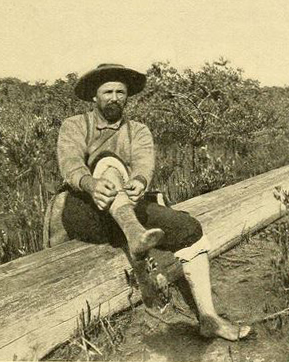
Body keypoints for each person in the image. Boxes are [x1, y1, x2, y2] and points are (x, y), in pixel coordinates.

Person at [56, 63, 251, 341]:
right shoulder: (75, 125)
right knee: (106, 164)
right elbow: (71, 164)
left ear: (127, 96)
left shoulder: (138, 130)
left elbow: (144, 164)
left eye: (120, 92)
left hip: (130, 208)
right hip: (86, 211)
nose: (114, 97)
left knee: (189, 228)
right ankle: (135, 234)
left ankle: (209, 318)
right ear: (94, 97)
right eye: (107, 91)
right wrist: (91, 184)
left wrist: (139, 182)